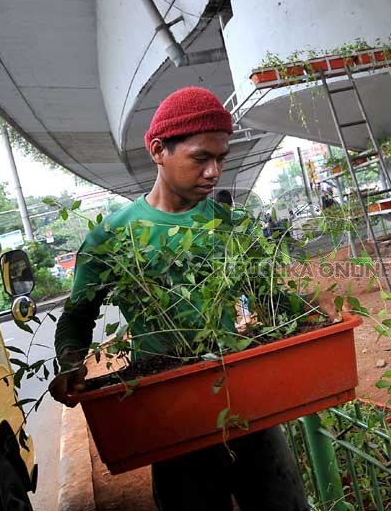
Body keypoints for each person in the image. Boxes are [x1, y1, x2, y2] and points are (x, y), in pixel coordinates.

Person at [49, 87, 310, 511]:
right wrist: (72, 361)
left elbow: (270, 299)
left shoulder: (231, 226)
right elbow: (77, 317)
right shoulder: (113, 237)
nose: (214, 172)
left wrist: (304, 317)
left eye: (221, 159)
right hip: (169, 411)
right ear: (158, 151)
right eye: (200, 158)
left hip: (245, 397)